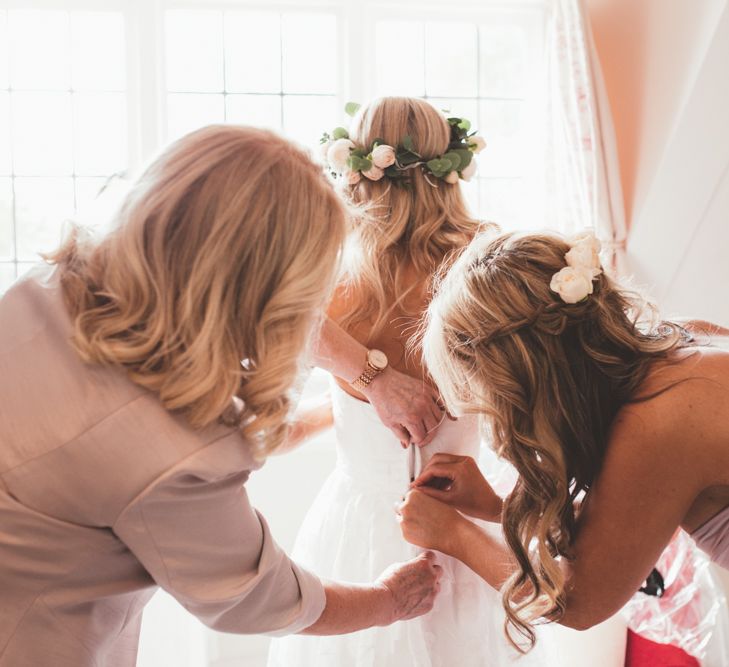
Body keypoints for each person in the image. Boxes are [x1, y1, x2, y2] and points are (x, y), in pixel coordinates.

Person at [0, 125, 442, 667]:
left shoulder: (46, 288)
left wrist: (354, 396)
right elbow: (256, 599)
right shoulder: (177, 445)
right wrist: (389, 600)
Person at [268, 97, 553, 666]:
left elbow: (267, 401)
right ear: (452, 166)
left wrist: (360, 392)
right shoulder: (492, 273)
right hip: (462, 525)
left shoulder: (324, 277)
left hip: (355, 533)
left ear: (352, 167)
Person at [398, 230, 729, 652]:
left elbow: (577, 604)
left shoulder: (657, 422)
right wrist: (496, 508)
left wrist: (455, 535)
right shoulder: (680, 340)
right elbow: (629, 512)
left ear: (527, 375)